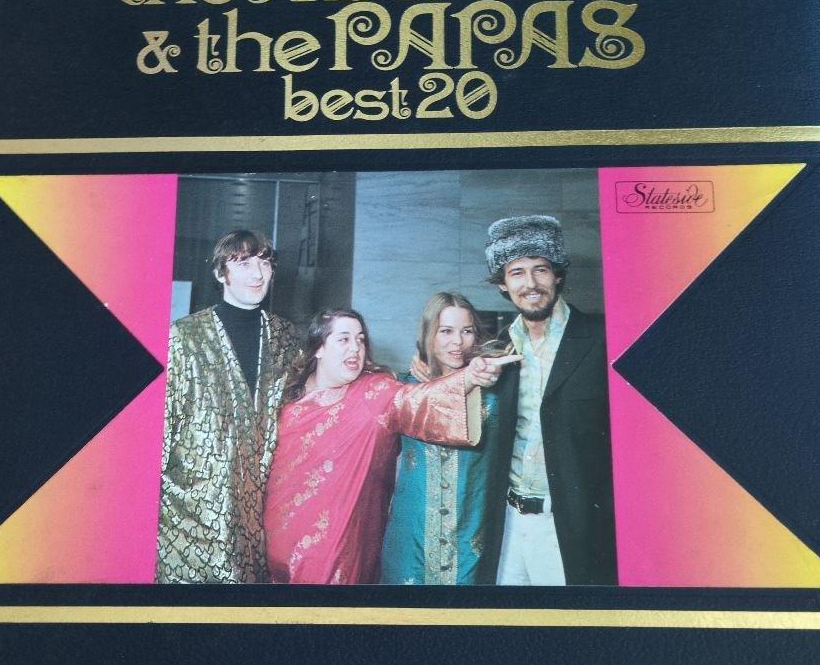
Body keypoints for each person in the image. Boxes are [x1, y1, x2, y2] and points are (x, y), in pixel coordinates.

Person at [263, 309, 514, 585]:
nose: (355, 348)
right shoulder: (283, 401)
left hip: (337, 548)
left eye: (360, 339)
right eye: (344, 339)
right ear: (319, 348)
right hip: (278, 546)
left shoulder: (374, 392)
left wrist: (469, 378)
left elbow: (417, 401)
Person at [157, 229, 300, 584]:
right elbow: (162, 426)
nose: (257, 274)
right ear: (221, 273)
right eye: (244, 263)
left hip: (257, 516)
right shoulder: (184, 336)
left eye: (264, 263)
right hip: (189, 516)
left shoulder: (284, 338)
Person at [485, 215, 617, 586]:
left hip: (571, 528)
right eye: (517, 272)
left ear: (557, 275)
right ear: (502, 284)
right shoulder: (497, 348)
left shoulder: (602, 338)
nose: (530, 284)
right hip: (508, 526)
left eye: (540, 269)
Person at [380, 292, 506, 585]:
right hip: (410, 539)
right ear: (429, 334)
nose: (457, 342)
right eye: (446, 331)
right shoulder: (404, 388)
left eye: (467, 331)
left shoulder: (494, 393)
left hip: (469, 539)